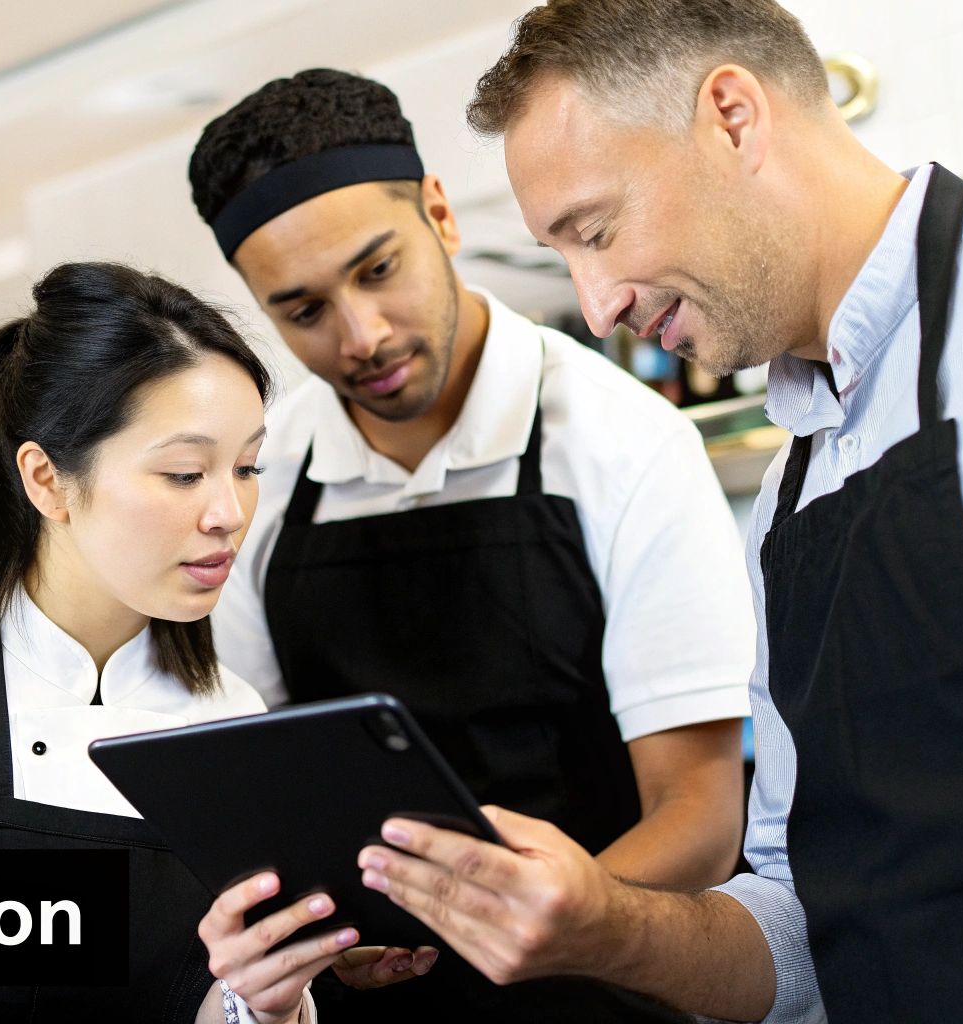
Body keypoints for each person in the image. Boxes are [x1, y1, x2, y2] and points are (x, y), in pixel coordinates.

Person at [357, 1, 963, 1021]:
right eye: (564, 261)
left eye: (595, 232)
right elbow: (802, 925)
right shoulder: (788, 496)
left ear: (731, 116)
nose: (596, 307)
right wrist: (603, 922)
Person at [188, 68, 755, 1019]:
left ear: (440, 216)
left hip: (604, 988)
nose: (360, 335)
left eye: (378, 270)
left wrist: (538, 922)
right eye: (302, 311)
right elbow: (265, 780)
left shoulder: (622, 441)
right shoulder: (260, 479)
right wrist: (320, 939)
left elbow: (699, 816)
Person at [0, 262, 401, 1024]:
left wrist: (257, 1001)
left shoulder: (232, 711)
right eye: (185, 472)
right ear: (45, 479)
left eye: (245, 466)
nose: (229, 511)